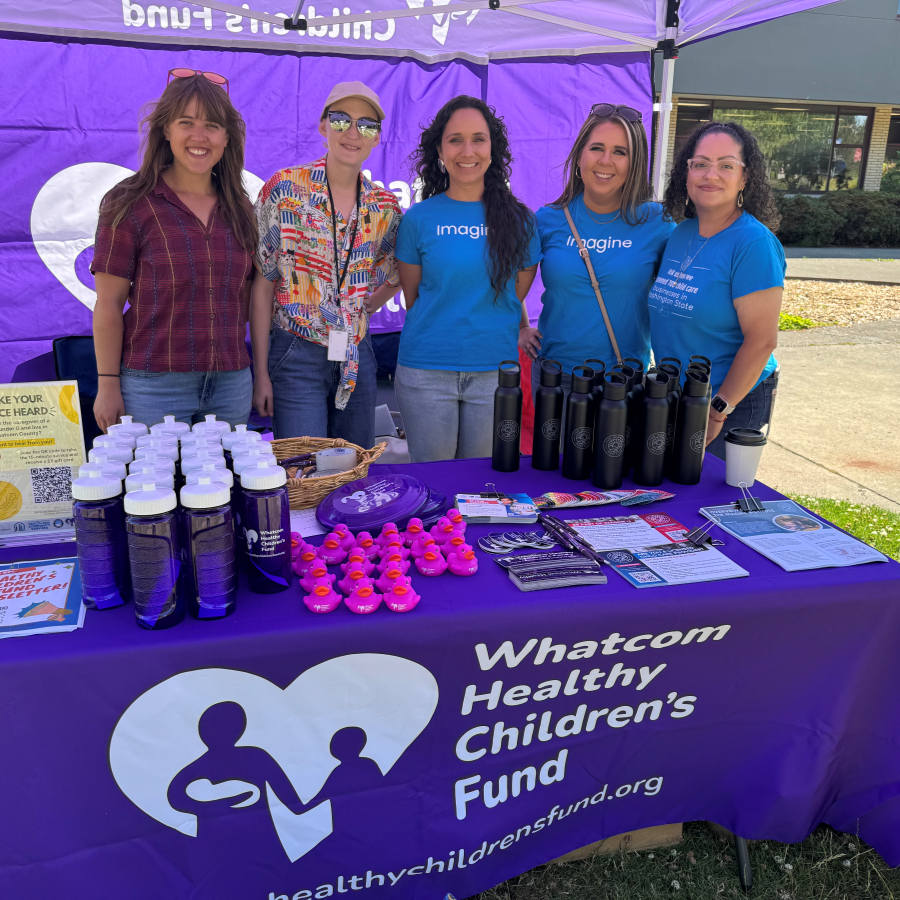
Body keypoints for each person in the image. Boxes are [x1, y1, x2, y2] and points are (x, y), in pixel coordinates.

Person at [92, 70, 257, 432]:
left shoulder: (241, 208)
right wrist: (107, 383)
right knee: (156, 487)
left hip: (231, 383)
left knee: (224, 487)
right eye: (186, 122)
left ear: (227, 137)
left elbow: (246, 297)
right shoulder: (129, 202)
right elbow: (108, 303)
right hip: (154, 386)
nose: (199, 137)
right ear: (166, 129)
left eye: (212, 125)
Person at [250, 82, 402, 448]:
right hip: (296, 351)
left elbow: (400, 273)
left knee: (355, 472)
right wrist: (261, 375)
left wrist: (371, 303)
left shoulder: (384, 207)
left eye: (366, 125)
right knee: (304, 471)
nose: (353, 133)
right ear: (322, 126)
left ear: (377, 138)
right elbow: (261, 283)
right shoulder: (285, 189)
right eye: (340, 120)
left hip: (357, 352)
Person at [394, 95, 541, 463]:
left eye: (478, 138)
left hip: (495, 374)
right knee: (434, 488)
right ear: (440, 150)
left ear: (493, 148)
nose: (467, 150)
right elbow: (415, 298)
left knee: (482, 490)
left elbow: (515, 293)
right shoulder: (418, 219)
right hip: (425, 372)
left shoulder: (521, 221)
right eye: (455, 139)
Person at [520, 104, 674, 402]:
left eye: (620, 152)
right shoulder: (547, 219)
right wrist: (522, 327)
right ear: (579, 156)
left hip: (625, 380)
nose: (606, 161)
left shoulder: (658, 223)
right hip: (556, 377)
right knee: (556, 452)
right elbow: (510, 282)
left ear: (635, 163)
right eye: (597, 148)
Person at [650, 121, 784, 459]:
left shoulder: (753, 243)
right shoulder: (680, 234)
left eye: (726, 165)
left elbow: (762, 340)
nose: (711, 174)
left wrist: (717, 409)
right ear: (686, 173)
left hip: (731, 400)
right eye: (700, 164)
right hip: (681, 395)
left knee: (711, 503)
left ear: (746, 176)